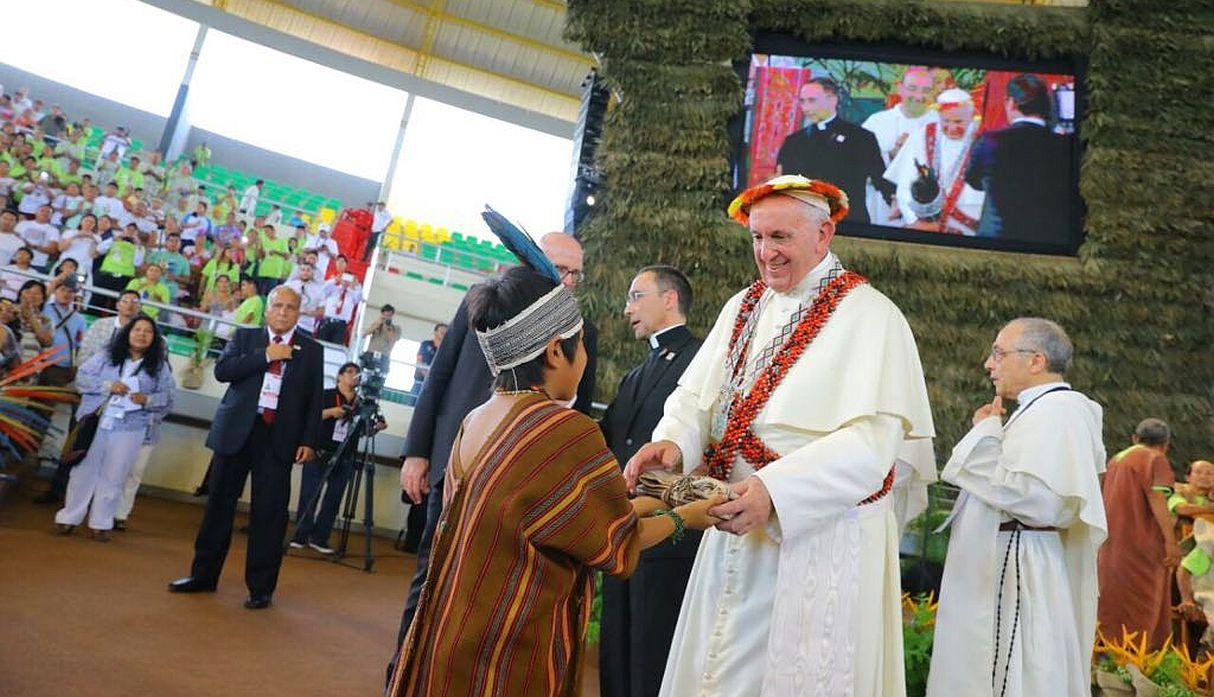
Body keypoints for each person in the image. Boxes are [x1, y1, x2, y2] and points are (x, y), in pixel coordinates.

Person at [624, 175, 935, 696]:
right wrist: (675, 442)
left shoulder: (873, 317)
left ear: (824, 234)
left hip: (815, 538)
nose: (766, 253)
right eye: (757, 238)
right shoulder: (741, 306)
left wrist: (775, 492)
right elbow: (696, 400)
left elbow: (870, 446)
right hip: (729, 525)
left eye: (780, 238)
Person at [387, 265, 722, 697]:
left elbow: (575, 515)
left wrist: (662, 501)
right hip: (507, 649)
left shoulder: (480, 417)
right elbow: (617, 541)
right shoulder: (561, 430)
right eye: (580, 345)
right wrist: (688, 517)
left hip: (455, 633)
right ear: (553, 353)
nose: (585, 357)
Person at [390, 232, 601, 675]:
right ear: (529, 261)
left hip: (528, 488)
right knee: (431, 577)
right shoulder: (481, 303)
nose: (565, 280)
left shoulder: (584, 331)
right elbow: (439, 376)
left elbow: (577, 409)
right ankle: (405, 675)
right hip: (460, 464)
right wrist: (417, 452)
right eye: (558, 268)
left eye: (574, 274)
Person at [927, 318, 1106, 697]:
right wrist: (990, 432)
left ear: (1036, 360)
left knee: (1020, 675)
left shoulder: (1060, 411)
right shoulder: (1039, 410)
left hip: (1021, 564)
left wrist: (984, 437)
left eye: (998, 353)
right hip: (1010, 557)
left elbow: (1041, 502)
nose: (988, 364)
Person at [169, 285, 324, 609]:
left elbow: (313, 401)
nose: (283, 312)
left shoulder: (311, 350)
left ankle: (261, 588)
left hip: (278, 440)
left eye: (290, 307)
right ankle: (202, 576)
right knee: (218, 509)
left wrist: (309, 441)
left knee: (269, 516)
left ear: (299, 313)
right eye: (278, 306)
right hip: (236, 433)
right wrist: (267, 356)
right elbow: (224, 371)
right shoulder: (245, 338)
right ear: (267, 310)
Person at [599, 265, 703, 697]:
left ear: (670, 299)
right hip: (625, 531)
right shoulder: (636, 374)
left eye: (636, 295)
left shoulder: (701, 361)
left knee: (652, 655)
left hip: (670, 536)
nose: (628, 309)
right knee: (616, 649)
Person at [53, 315, 175, 541]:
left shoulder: (159, 367)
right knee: (83, 471)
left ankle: (101, 523)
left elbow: (168, 398)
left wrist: (147, 400)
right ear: (127, 332)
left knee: (115, 475)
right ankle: (69, 517)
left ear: (154, 338)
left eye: (148, 332)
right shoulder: (106, 356)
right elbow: (82, 378)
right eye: (137, 329)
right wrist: (107, 386)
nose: (141, 334)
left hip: (131, 428)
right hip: (96, 421)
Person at [1096, 418, 1181, 650]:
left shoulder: (1116, 460)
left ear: (1135, 438)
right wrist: (1171, 543)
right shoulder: (1155, 459)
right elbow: (1158, 500)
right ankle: (1135, 668)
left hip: (1111, 546)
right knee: (1141, 611)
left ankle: (1109, 662)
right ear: (1165, 444)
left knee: (1113, 606)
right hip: (1141, 549)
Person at [290, 362, 386, 554]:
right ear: (340, 376)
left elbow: (362, 432)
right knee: (310, 495)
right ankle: (300, 536)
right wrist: (331, 412)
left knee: (333, 500)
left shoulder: (362, 403)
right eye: (349, 372)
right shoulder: (325, 395)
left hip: (345, 456)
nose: (354, 376)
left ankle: (319, 538)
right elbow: (309, 416)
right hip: (319, 452)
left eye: (357, 373)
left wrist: (375, 428)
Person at [965, 74, 1072, 242]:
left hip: (994, 245)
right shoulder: (1066, 145)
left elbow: (973, 180)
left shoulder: (988, 141)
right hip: (1048, 245)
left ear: (1011, 103)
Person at [776, 78, 895, 224]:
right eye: (802, 101)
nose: (806, 108)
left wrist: (899, 206)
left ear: (832, 100)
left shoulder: (861, 138)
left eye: (812, 101)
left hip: (850, 222)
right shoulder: (794, 142)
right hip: (805, 224)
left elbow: (881, 180)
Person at [886, 88, 984, 235]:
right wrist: (916, 223)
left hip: (969, 231)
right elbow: (905, 187)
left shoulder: (984, 140)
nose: (952, 128)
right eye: (946, 121)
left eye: (959, 122)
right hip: (924, 228)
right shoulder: (923, 135)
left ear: (971, 117)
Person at [861, 66, 939, 224]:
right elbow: (856, 167)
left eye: (926, 90)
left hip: (924, 216)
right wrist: (890, 155)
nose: (919, 96)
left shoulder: (940, 124)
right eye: (913, 88)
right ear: (900, 88)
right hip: (880, 212)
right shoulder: (876, 122)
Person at [317, 266, 361, 343]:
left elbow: (359, 296)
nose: (346, 281)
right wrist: (335, 279)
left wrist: (356, 284)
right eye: (345, 278)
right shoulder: (334, 289)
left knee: (335, 347)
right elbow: (323, 289)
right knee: (319, 344)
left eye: (349, 279)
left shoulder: (352, 294)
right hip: (327, 321)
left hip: (341, 325)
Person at [282, 262, 324, 335]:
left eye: (308, 270)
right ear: (299, 271)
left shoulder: (318, 290)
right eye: (303, 270)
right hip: (287, 323)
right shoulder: (289, 285)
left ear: (312, 273)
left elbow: (321, 312)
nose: (305, 272)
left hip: (306, 327)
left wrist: (306, 312)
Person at [407, 322, 446, 401]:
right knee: (411, 403)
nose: (443, 333)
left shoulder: (446, 350)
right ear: (435, 332)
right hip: (420, 380)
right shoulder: (426, 344)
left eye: (445, 332)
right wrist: (427, 376)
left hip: (434, 384)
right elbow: (419, 361)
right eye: (441, 331)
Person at [363, 303, 400, 368]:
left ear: (392, 315)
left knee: (380, 377)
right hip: (370, 354)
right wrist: (377, 323)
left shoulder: (396, 328)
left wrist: (388, 326)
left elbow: (393, 340)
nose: (386, 317)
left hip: (384, 356)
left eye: (389, 315)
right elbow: (364, 334)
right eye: (384, 315)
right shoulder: (376, 324)